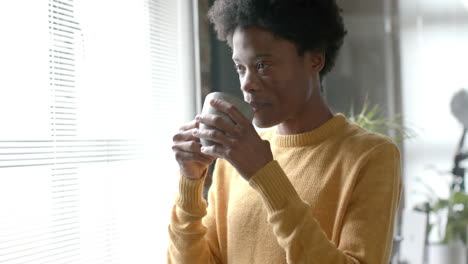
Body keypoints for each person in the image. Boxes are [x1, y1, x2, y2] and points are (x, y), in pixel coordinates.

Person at [168, 0, 402, 263]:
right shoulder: (234, 157)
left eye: (263, 66)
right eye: (240, 67)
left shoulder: (372, 156)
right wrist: (189, 184)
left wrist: (266, 176)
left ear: (315, 59)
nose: (247, 84)